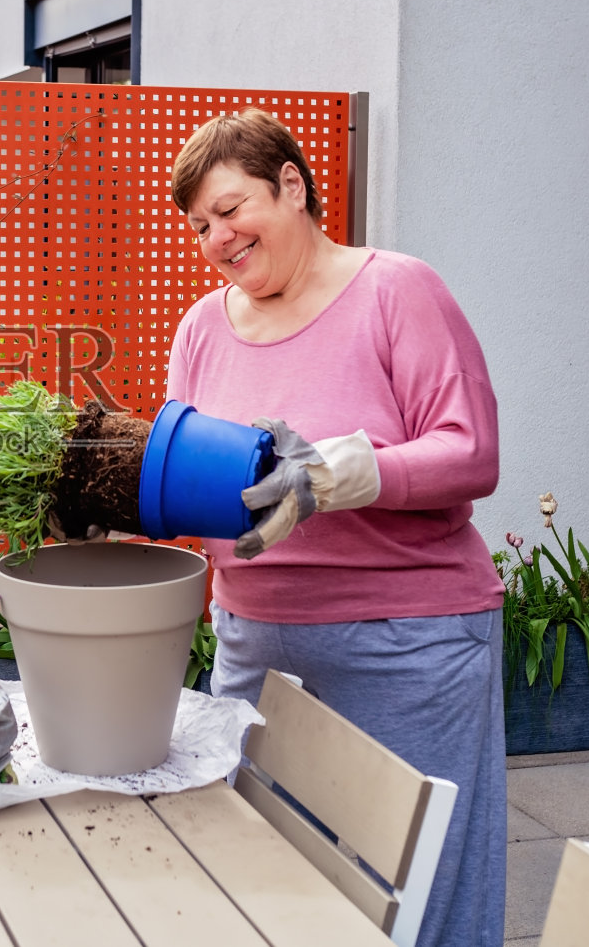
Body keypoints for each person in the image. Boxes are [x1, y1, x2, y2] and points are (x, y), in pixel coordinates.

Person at [166, 109, 504, 947]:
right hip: (253, 641)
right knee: (258, 884)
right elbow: (177, 482)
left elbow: (473, 453)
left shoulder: (397, 289)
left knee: (420, 880)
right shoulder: (203, 328)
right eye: (201, 225)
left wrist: (356, 473)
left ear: (293, 185)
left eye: (232, 209)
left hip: (406, 642)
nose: (217, 238)